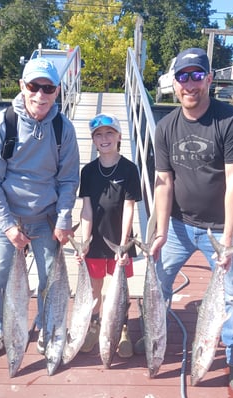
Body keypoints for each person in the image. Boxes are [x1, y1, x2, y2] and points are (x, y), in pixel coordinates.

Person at [137, 48, 233, 393]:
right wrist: (157, 231)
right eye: (183, 76)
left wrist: (228, 241)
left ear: (209, 79)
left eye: (197, 75)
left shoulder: (231, 121)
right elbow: (163, 183)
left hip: (219, 228)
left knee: (232, 296)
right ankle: (155, 340)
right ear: (174, 83)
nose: (190, 84)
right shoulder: (165, 127)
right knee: (157, 284)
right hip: (177, 226)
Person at [0, 57, 80, 357]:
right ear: (22, 87)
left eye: (47, 88)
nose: (40, 95)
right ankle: (0, 327)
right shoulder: (1, 125)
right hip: (10, 218)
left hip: (46, 219)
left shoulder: (64, 129)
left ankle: (46, 327)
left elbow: (68, 179)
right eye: (34, 86)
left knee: (50, 281)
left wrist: (63, 219)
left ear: (58, 91)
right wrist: (8, 227)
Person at [77, 113, 142, 358]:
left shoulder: (129, 169)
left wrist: (124, 244)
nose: (104, 138)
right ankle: (95, 324)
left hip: (119, 241)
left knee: (119, 290)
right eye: (98, 135)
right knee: (95, 289)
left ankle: (123, 328)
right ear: (93, 140)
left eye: (109, 133)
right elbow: (86, 208)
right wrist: (84, 242)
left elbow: (129, 207)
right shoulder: (88, 171)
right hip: (96, 240)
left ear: (119, 137)